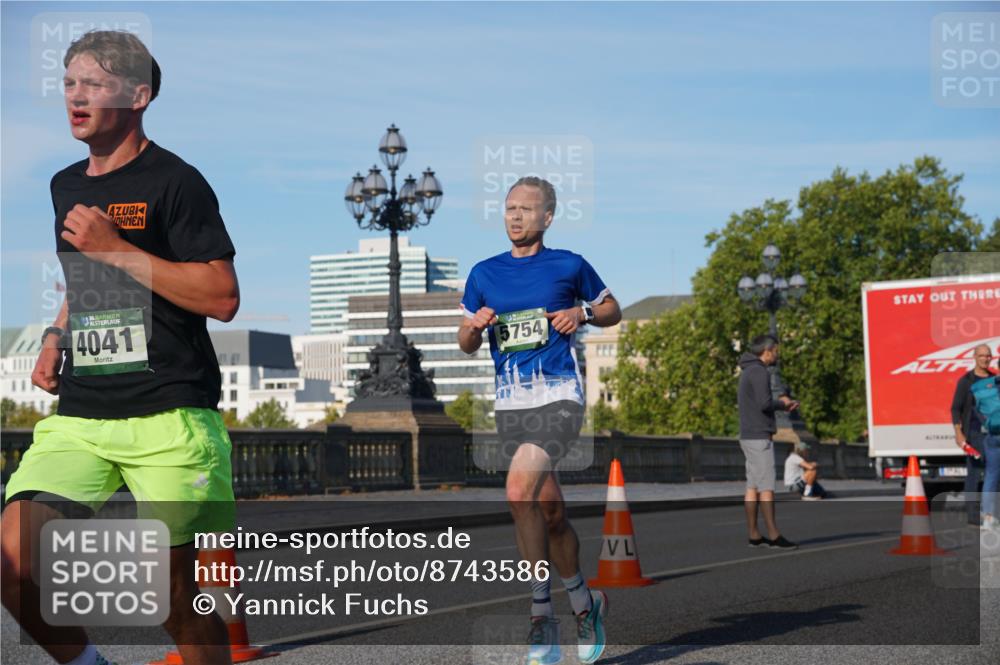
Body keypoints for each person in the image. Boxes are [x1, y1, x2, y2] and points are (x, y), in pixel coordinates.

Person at [1, 31, 239, 665]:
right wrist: (56, 334)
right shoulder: (63, 184)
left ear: (139, 95)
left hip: (170, 414)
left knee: (173, 595)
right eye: (70, 83)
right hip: (82, 415)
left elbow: (221, 295)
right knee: (12, 559)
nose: (76, 97)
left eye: (95, 84)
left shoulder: (177, 181)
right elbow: (88, 279)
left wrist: (119, 249)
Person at [459, 176, 620, 665]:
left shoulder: (569, 264)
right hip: (511, 406)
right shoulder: (483, 272)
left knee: (516, 492)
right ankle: (584, 602)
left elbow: (613, 309)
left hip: (559, 398)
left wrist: (583, 314)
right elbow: (465, 341)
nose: (515, 216)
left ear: (547, 217)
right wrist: (474, 327)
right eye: (509, 208)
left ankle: (540, 616)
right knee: (549, 513)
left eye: (526, 209)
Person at [737, 334, 800, 549]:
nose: (777, 354)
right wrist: (784, 404)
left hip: (748, 434)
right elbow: (764, 404)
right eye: (776, 351)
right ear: (767, 351)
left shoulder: (748, 370)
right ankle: (774, 535)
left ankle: (754, 534)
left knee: (753, 486)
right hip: (759, 436)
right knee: (766, 487)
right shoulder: (759, 371)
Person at [951, 344, 993, 526]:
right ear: (974, 357)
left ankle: (992, 512)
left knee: (994, 473)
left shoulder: (995, 380)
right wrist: (959, 433)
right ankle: (973, 515)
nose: (985, 358)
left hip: (993, 433)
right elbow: (955, 408)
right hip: (974, 433)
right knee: (974, 474)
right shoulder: (966, 381)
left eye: (988, 356)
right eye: (981, 355)